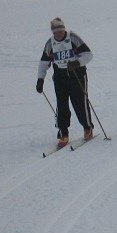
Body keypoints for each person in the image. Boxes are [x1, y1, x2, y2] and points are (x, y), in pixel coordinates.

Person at [36, 17, 94, 149]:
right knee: (61, 105)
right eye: (56, 32)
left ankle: (87, 128)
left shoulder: (73, 38)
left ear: (64, 29)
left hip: (76, 74)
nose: (59, 34)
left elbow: (88, 54)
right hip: (60, 76)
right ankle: (63, 133)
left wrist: (77, 62)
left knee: (80, 102)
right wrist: (40, 79)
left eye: (60, 31)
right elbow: (44, 63)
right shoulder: (50, 44)